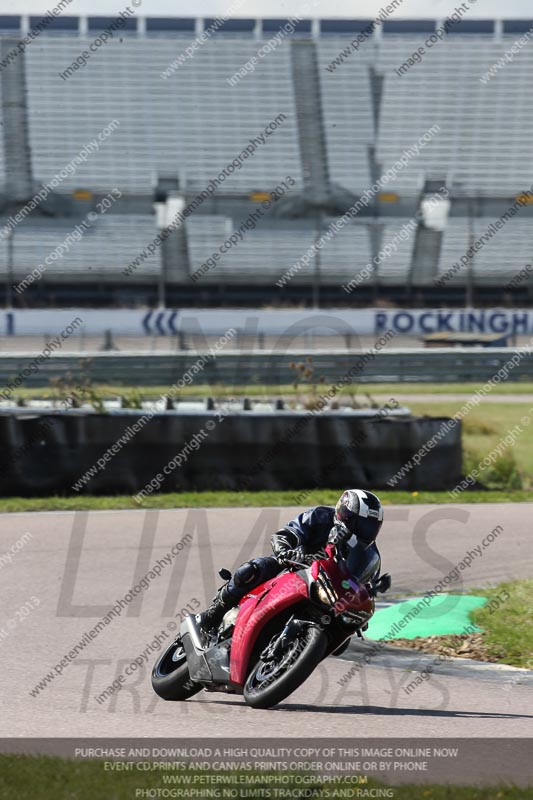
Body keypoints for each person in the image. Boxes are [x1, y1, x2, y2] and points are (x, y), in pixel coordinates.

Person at [199, 489, 388, 634]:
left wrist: (366, 600)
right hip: (293, 568)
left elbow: (362, 588)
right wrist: (285, 550)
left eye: (370, 527)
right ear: (345, 514)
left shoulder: (370, 555)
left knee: (343, 638)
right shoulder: (320, 516)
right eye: (361, 524)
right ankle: (213, 614)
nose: (364, 531)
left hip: (328, 597)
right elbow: (288, 533)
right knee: (253, 570)